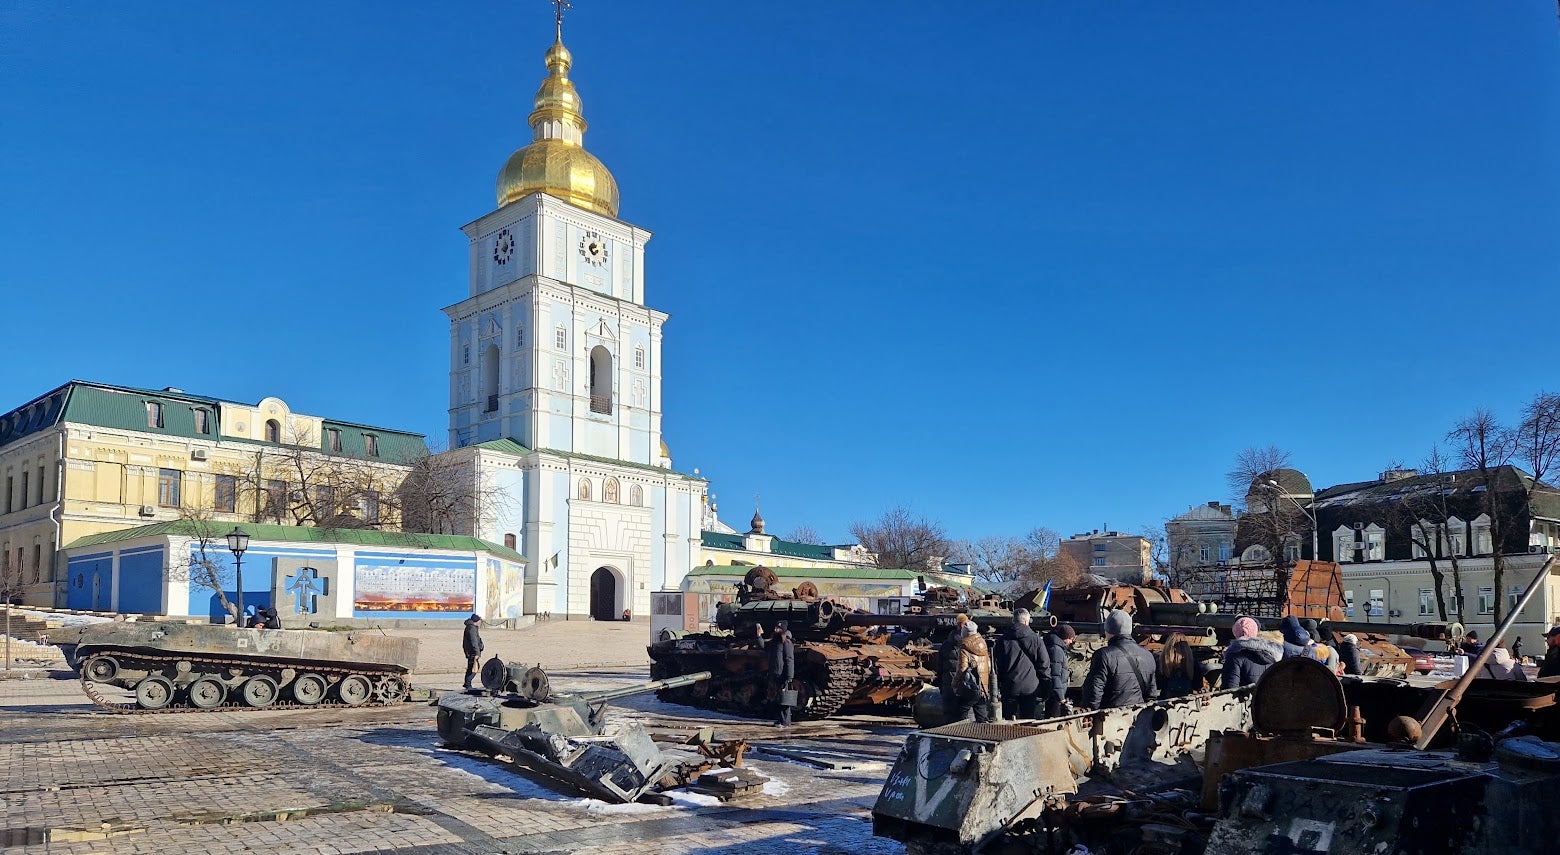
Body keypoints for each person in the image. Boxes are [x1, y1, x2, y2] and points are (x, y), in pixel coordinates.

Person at [1081, 609, 1157, 709]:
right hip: (1138, 717)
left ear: (1108, 630)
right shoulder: (1148, 655)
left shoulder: (1104, 655)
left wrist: (1090, 714)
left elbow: (1094, 692)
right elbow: (1151, 695)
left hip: (1111, 718)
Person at [994, 609, 1050, 719]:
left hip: (1009, 686)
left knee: (1008, 721)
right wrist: (1046, 686)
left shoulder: (1002, 640)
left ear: (1013, 621)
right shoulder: (1036, 639)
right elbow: (1044, 664)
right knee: (1028, 719)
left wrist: (1000, 683)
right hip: (1030, 686)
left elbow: (997, 665)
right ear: (1026, 622)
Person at [945, 621, 995, 723]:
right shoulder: (984, 646)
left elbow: (962, 668)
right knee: (981, 714)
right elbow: (989, 666)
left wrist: (955, 684)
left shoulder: (964, 648)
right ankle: (983, 735)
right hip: (983, 687)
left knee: (961, 712)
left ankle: (962, 734)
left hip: (970, 687)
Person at [1221, 616, 1280, 688]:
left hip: (1246, 698)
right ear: (1256, 631)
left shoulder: (1234, 658)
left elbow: (1229, 691)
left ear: (1235, 632)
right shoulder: (1272, 655)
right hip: (1267, 698)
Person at [1044, 624, 1077, 717]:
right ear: (1065, 637)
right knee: (1053, 718)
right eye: (1070, 639)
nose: (1071, 642)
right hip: (1055, 694)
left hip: (1054, 692)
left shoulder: (1056, 647)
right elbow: (1055, 674)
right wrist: (1060, 697)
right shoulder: (1056, 650)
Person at [767, 621, 795, 727]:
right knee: (779, 697)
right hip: (775, 672)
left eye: (778, 628)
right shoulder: (775, 642)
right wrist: (759, 636)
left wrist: (789, 676)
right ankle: (780, 720)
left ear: (782, 630)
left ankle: (785, 722)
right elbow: (764, 646)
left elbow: (789, 659)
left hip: (783, 674)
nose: (775, 630)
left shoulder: (787, 642)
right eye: (775, 627)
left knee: (784, 698)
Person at [1157, 632, 1198, 698]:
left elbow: (1157, 685)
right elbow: (1198, 685)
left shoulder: (1161, 663)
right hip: (1188, 700)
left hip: (1166, 700)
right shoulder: (1193, 664)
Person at [462, 613, 484, 691]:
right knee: (474, 667)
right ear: (476, 621)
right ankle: (467, 683)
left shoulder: (472, 627)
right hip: (472, 652)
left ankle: (467, 683)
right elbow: (474, 642)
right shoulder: (472, 629)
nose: (480, 622)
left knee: (471, 667)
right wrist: (477, 653)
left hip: (471, 651)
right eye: (479, 621)